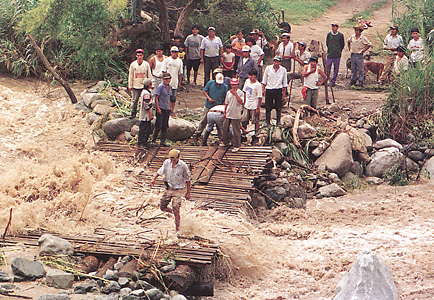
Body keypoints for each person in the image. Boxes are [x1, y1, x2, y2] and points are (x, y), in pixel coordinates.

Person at [149, 148, 191, 232]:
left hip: (178, 190)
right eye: (171, 159)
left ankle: (177, 229)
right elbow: (160, 171)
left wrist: (188, 193)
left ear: (178, 157)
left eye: (174, 159)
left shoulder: (183, 166)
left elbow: (188, 179)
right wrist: (153, 179)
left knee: (176, 207)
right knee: (162, 207)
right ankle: (175, 213)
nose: (172, 161)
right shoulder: (166, 162)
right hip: (168, 188)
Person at [195, 72, 228, 137]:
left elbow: (225, 97)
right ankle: (199, 132)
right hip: (209, 105)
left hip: (218, 106)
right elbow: (204, 91)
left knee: (219, 121)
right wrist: (209, 98)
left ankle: (220, 135)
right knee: (204, 119)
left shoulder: (224, 87)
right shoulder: (210, 83)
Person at [262, 56, 288, 125]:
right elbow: (264, 80)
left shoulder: (283, 70)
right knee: (268, 106)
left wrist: (284, 92)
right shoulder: (268, 68)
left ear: (280, 62)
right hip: (269, 89)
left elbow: (285, 82)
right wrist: (263, 89)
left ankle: (278, 121)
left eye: (278, 62)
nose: (276, 63)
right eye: (275, 61)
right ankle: (267, 121)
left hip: (278, 89)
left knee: (278, 106)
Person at [128, 49, 152, 119]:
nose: (139, 57)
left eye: (140, 55)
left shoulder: (146, 64)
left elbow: (149, 75)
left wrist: (151, 84)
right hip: (136, 85)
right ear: (136, 56)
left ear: (143, 56)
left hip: (144, 85)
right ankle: (133, 113)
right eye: (138, 55)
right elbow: (131, 75)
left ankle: (146, 114)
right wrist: (130, 85)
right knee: (135, 100)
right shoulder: (133, 64)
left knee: (146, 100)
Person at [222, 78, 244, 152]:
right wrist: (225, 112)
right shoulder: (228, 92)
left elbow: (241, 102)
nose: (234, 86)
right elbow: (226, 103)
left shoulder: (241, 93)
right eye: (232, 85)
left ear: (238, 85)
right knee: (225, 128)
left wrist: (236, 94)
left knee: (236, 130)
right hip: (229, 113)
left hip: (236, 114)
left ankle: (237, 145)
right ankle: (226, 142)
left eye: (235, 85)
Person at [151, 73, 172, 146]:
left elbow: (169, 98)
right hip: (161, 108)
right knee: (158, 125)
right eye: (166, 79)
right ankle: (153, 140)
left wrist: (170, 107)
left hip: (167, 108)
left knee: (165, 126)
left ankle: (162, 141)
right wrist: (158, 108)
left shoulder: (170, 87)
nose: (167, 80)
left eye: (168, 79)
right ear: (163, 79)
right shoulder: (160, 87)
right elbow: (156, 97)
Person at [162, 46, 183, 115]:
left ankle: (172, 111)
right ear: (170, 52)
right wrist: (164, 81)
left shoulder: (179, 61)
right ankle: (166, 110)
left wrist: (179, 82)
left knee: (173, 98)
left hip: (174, 82)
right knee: (166, 97)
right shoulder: (167, 60)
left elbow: (180, 73)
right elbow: (163, 71)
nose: (174, 54)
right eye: (173, 52)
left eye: (175, 52)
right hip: (167, 82)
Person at [242, 69, 262, 138]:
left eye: (252, 75)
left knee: (255, 121)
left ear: (255, 76)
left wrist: (258, 108)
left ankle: (256, 134)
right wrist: (244, 103)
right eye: (249, 75)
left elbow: (260, 97)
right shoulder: (247, 81)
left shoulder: (258, 85)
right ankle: (244, 134)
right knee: (244, 120)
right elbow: (244, 92)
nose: (250, 77)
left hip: (254, 105)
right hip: (247, 104)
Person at [326, 21, 345, 87]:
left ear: (337, 27)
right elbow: (327, 43)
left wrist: (338, 50)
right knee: (327, 67)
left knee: (336, 68)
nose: (333, 28)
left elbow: (342, 44)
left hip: (337, 54)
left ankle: (333, 81)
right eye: (332, 26)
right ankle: (326, 79)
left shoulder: (340, 35)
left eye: (334, 26)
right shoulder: (329, 35)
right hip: (330, 53)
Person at [137, 79, 154, 148]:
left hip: (146, 115)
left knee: (147, 128)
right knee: (144, 129)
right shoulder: (146, 93)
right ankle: (141, 142)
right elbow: (146, 105)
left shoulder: (145, 92)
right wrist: (150, 113)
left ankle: (145, 142)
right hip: (145, 115)